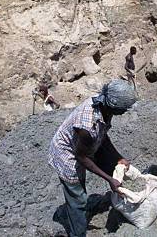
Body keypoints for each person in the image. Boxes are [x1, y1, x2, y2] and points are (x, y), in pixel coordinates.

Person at [48, 79, 136, 237]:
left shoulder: (103, 103)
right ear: (114, 106)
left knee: (113, 166)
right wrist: (109, 179)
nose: (124, 112)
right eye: (123, 109)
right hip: (67, 154)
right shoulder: (87, 127)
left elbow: (102, 135)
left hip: (84, 146)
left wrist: (118, 158)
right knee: (78, 198)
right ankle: (77, 233)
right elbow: (81, 157)